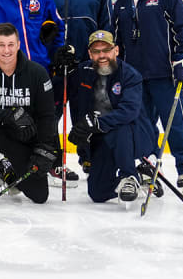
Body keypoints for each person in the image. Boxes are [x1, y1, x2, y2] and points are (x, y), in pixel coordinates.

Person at [112, 0, 183, 193]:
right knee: (141, 125)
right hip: (134, 78)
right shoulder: (120, 2)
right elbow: (115, 42)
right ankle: (146, 166)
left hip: (164, 73)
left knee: (176, 123)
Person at [38, 0, 112, 188]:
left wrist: (102, 58)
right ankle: (54, 162)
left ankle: (90, 159)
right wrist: (53, 52)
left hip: (86, 65)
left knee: (88, 114)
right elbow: (38, 27)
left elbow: (107, 27)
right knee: (50, 116)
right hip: (55, 67)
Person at [0, 23, 59, 204]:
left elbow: (47, 114)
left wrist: (44, 148)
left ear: (18, 45)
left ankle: (6, 168)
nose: (6, 50)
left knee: (39, 196)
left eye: (10, 44)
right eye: (1, 45)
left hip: (25, 140)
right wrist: (9, 116)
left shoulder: (37, 73)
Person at [66, 30, 158, 203]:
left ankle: (128, 177)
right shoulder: (83, 71)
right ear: (89, 54)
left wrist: (94, 123)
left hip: (134, 136)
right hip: (102, 137)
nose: (102, 56)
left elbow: (128, 112)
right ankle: (140, 176)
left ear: (116, 50)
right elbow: (61, 91)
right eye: (96, 51)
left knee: (120, 125)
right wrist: (61, 67)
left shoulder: (130, 75)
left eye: (106, 50)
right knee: (97, 193)